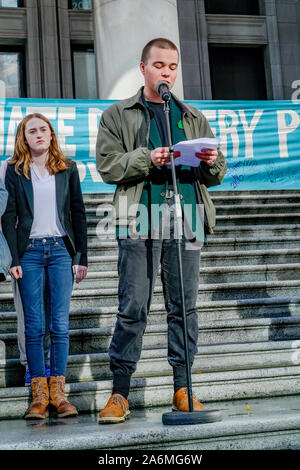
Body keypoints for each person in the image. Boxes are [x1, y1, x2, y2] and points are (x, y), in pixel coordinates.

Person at [96, 37, 227, 424]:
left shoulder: (190, 115)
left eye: (172, 66)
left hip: (185, 217)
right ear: (143, 68)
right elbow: (107, 166)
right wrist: (146, 157)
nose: (166, 72)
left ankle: (184, 386)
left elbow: (214, 175)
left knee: (184, 307)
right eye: (159, 66)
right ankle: (120, 393)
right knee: (134, 305)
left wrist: (212, 161)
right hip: (140, 218)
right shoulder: (118, 114)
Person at [2, 113, 88, 419]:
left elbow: (78, 213)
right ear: (23, 139)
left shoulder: (68, 168)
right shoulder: (15, 171)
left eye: (43, 129)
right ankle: (38, 396)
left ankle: (58, 395)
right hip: (30, 253)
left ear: (51, 135)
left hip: (61, 250)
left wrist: (81, 258)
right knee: (35, 326)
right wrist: (12, 258)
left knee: (60, 325)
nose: (38, 134)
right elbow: (8, 216)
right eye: (31, 131)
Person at [0, 159, 51, 386]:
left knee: (49, 312)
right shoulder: (9, 168)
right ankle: (31, 365)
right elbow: (7, 213)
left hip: (52, 246)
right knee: (27, 314)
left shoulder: (55, 167)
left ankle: (47, 364)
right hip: (23, 249)